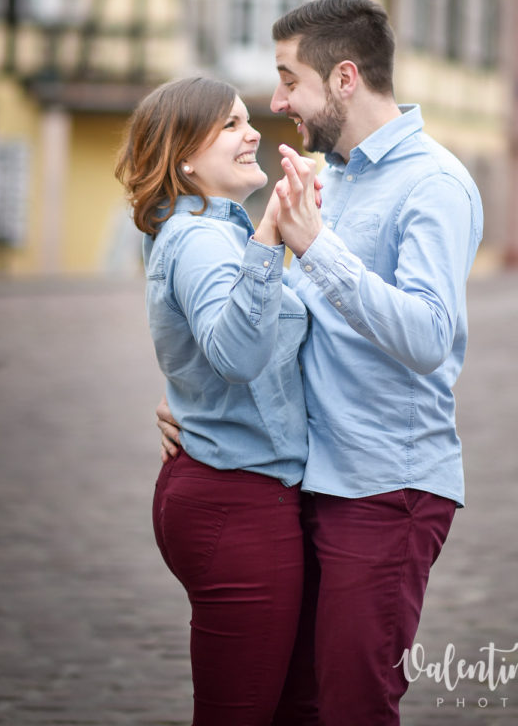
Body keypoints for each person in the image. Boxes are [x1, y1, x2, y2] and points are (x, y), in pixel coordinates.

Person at [159, 0, 483, 726]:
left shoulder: (433, 184)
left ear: (343, 78)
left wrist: (317, 248)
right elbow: (281, 327)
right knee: (297, 706)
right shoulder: (327, 178)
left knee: (353, 706)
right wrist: (188, 390)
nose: (275, 101)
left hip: (384, 487)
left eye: (286, 79)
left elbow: (429, 336)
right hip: (306, 481)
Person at [115, 75, 315, 726]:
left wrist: (185, 402)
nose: (252, 131)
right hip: (239, 503)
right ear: (183, 157)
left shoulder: (204, 229)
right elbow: (234, 356)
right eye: (228, 125)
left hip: (230, 491)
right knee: (240, 712)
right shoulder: (204, 238)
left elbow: (207, 356)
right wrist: (268, 242)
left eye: (244, 118)